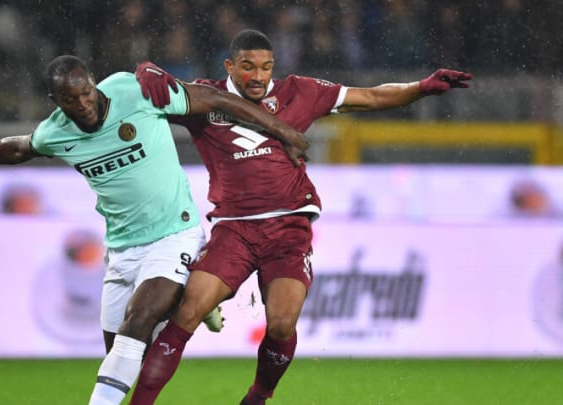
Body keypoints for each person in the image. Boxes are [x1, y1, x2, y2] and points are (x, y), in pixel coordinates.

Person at [0, 54, 308, 405]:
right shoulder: (56, 132)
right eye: (71, 99)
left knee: (141, 317)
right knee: (123, 350)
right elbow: (17, 148)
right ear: (56, 101)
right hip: (121, 249)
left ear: (94, 83)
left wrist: (281, 130)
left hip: (173, 233)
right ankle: (187, 295)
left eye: (86, 92)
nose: (83, 103)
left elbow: (212, 98)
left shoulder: (134, 91)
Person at [130, 29, 473, 405]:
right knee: (189, 311)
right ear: (229, 66)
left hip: (288, 228)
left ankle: (258, 397)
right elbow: (144, 92)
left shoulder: (299, 92)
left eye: (266, 67)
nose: (259, 76)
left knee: (281, 323)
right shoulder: (205, 96)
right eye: (248, 67)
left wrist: (420, 87)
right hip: (234, 228)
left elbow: (372, 96)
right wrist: (144, 70)